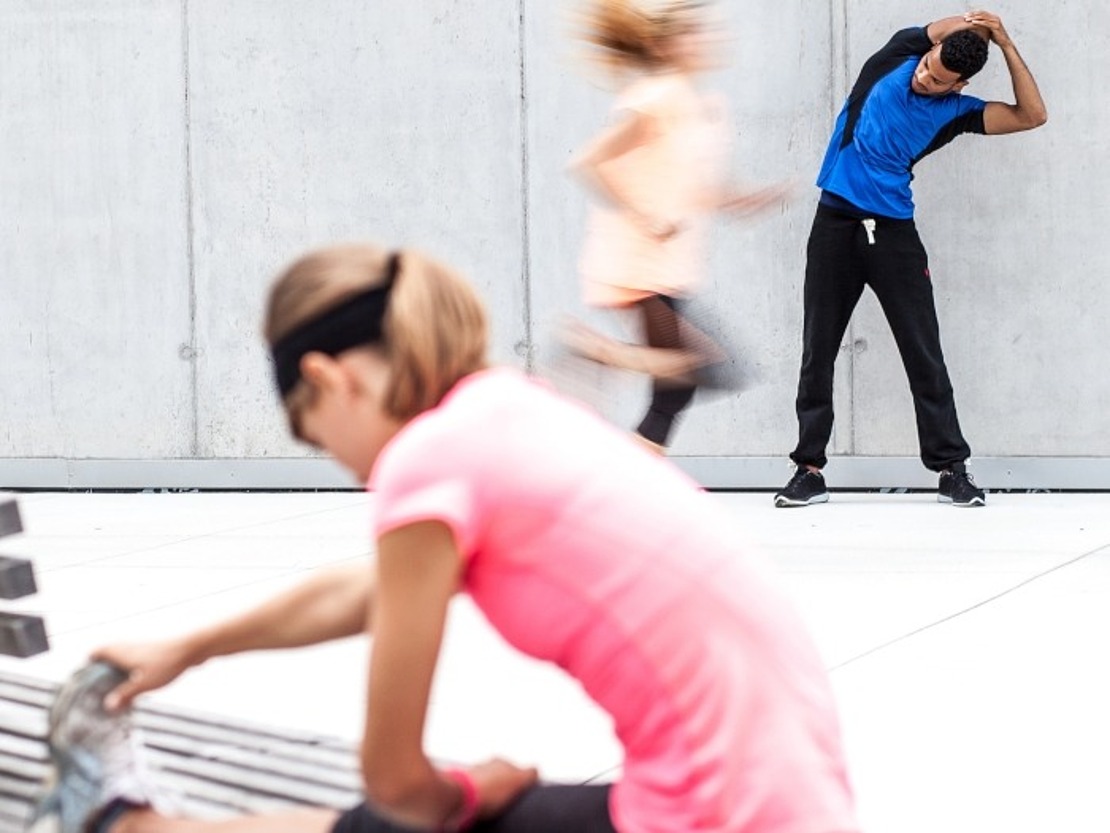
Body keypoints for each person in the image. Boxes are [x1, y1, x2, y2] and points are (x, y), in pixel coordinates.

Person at [31, 243, 860, 833]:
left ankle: (118, 823)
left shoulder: (427, 458)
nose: (347, 469)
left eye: (318, 437)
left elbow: (395, 779)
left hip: (714, 814)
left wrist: (470, 790)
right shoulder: (505, 410)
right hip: (793, 805)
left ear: (328, 378)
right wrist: (190, 648)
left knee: (400, 822)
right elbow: (375, 589)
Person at [774, 10, 1046, 508]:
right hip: (834, 225)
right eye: (926, 66)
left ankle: (951, 469)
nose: (923, 77)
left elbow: (1032, 115)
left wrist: (1006, 44)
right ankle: (808, 470)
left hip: (895, 234)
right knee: (818, 349)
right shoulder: (895, 57)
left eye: (938, 80)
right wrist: (979, 26)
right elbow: (957, 28)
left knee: (923, 351)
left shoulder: (959, 112)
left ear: (959, 85)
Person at [565, 0, 790, 453]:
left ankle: (635, 479)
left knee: (676, 389)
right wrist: (645, 216)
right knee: (704, 368)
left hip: (671, 266)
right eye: (693, 33)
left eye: (706, 31)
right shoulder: (655, 99)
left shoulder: (702, 106)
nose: (706, 40)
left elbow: (692, 185)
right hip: (635, 264)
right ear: (663, 46)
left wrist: (743, 200)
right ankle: (601, 354)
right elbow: (588, 161)